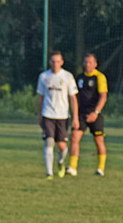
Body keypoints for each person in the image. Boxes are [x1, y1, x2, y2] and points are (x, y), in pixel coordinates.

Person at [36, 51, 79, 179]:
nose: (55, 64)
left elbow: (73, 98)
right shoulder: (44, 77)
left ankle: (60, 162)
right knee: (49, 142)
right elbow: (41, 97)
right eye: (53, 61)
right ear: (50, 62)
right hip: (48, 114)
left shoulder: (67, 76)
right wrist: (39, 115)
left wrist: (75, 117)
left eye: (57, 61)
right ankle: (49, 172)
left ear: (62, 62)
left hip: (63, 116)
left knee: (62, 146)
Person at [68, 53, 108, 177]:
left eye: (90, 62)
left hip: (95, 114)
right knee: (75, 137)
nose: (87, 64)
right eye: (86, 62)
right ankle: (72, 167)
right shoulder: (79, 77)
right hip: (81, 114)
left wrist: (95, 113)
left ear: (95, 64)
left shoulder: (99, 77)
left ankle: (100, 168)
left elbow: (103, 97)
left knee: (99, 141)